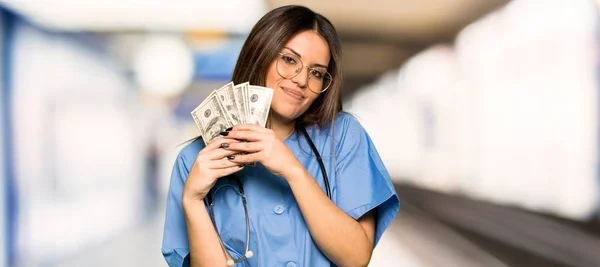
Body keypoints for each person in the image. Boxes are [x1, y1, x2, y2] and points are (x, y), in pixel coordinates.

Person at [162, 5, 400, 267]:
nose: (301, 80)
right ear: (260, 55)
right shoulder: (195, 160)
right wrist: (193, 201)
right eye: (289, 60)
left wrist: (293, 170)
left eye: (317, 73)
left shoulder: (342, 137)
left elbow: (356, 257)